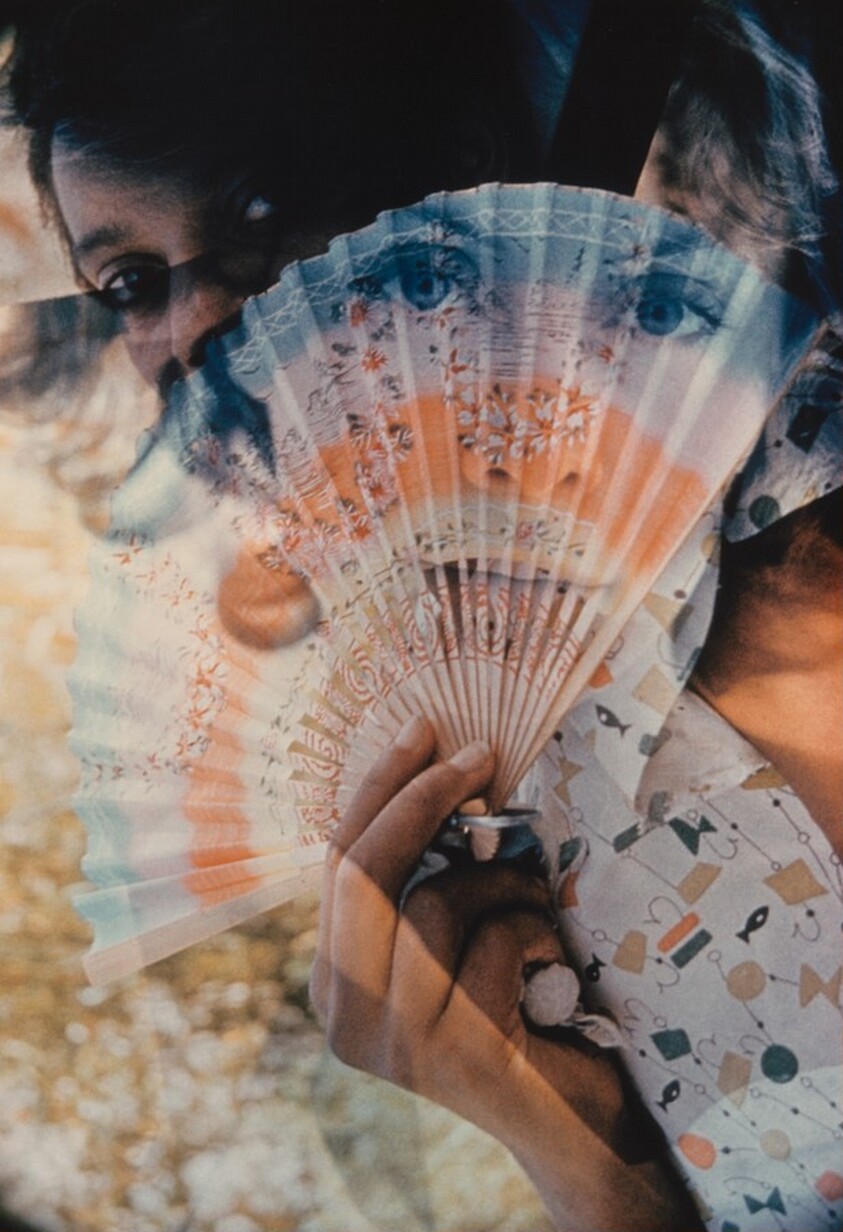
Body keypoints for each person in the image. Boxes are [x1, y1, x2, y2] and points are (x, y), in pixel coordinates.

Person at [2, 1, 840, 1228]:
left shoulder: (789, 503)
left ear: (466, 184)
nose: (194, 324)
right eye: (127, 281)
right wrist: (558, 1136)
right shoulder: (452, 828)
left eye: (262, 213)